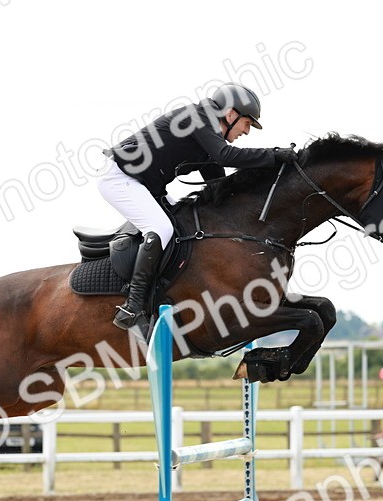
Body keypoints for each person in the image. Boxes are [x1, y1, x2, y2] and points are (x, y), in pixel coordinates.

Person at [99, 83, 299, 332]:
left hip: (145, 186)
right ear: (230, 114)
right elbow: (226, 155)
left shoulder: (209, 140)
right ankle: (133, 305)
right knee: (161, 228)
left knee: (183, 227)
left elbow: (219, 185)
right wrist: (274, 155)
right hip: (120, 178)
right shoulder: (199, 117)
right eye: (247, 123)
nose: (247, 132)